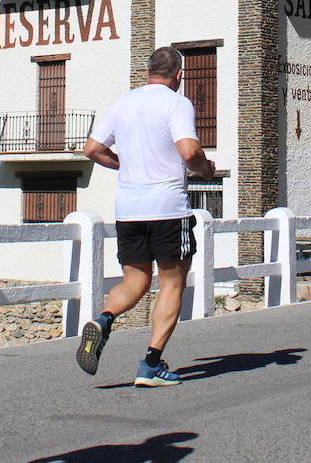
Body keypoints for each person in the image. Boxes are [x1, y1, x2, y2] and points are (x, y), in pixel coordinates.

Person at [74, 46, 216, 387]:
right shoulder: (177, 103)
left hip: (129, 210)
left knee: (135, 282)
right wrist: (205, 169)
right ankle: (151, 365)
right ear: (179, 75)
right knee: (172, 283)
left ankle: (103, 320)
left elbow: (92, 149)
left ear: (147, 71)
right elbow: (189, 150)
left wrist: (124, 164)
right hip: (167, 209)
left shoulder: (123, 103)